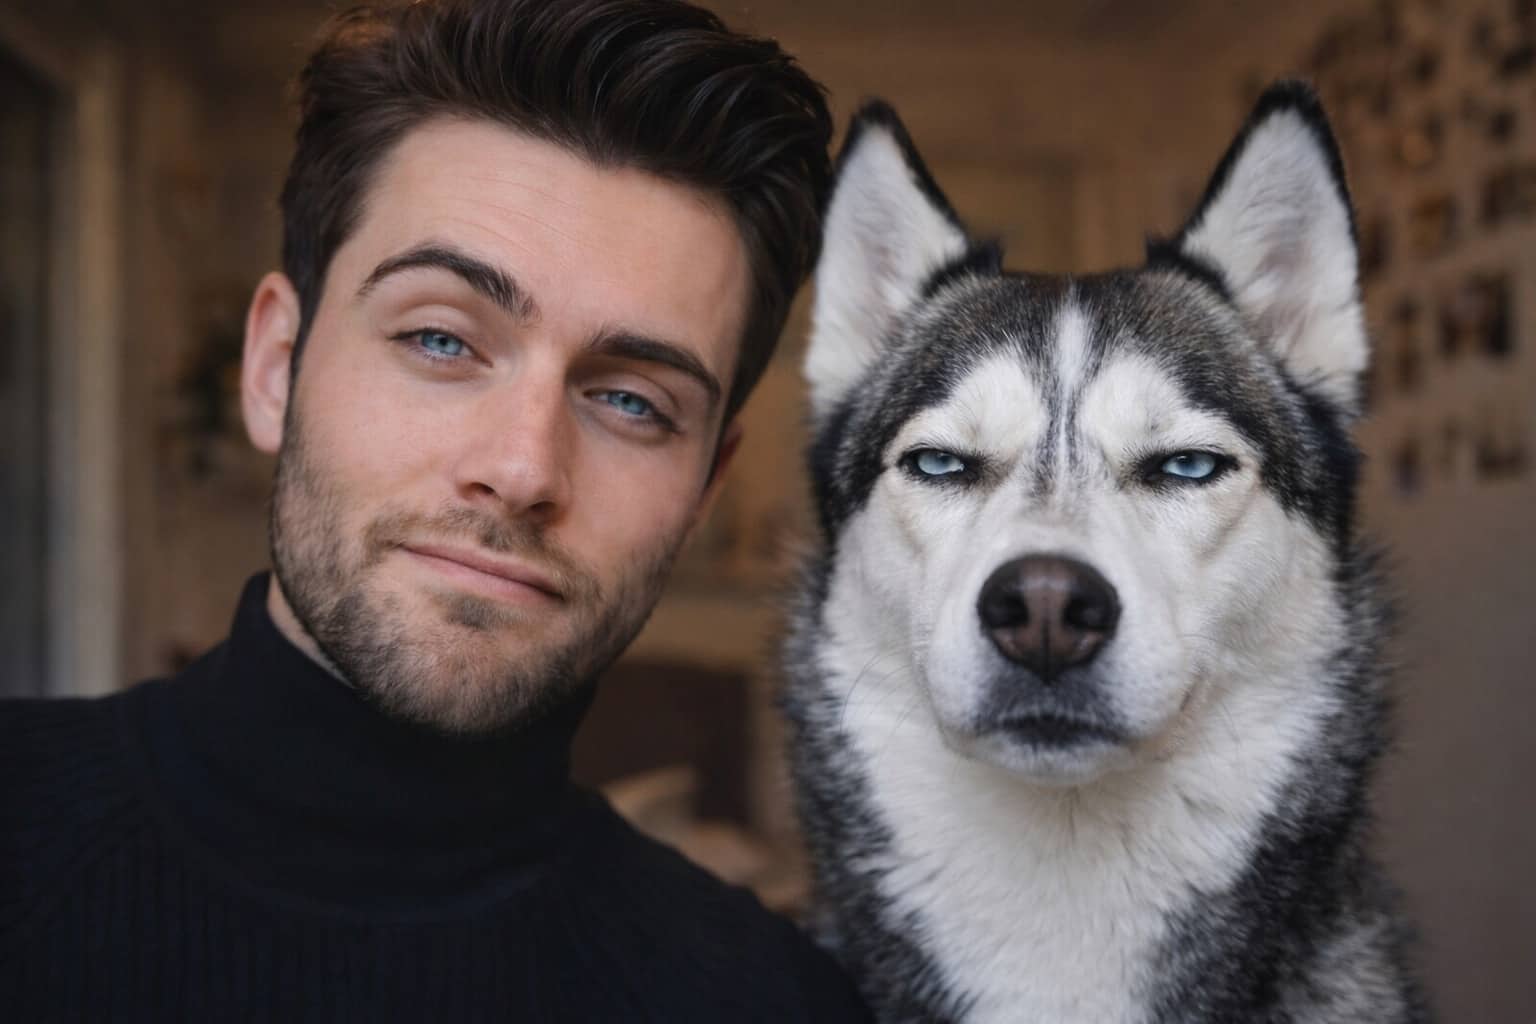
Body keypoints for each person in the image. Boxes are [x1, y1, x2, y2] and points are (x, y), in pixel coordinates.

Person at [0, 0, 869, 1018]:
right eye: (441, 341)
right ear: (275, 368)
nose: (521, 467)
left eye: (632, 401)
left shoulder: (772, 1003)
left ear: (704, 488)